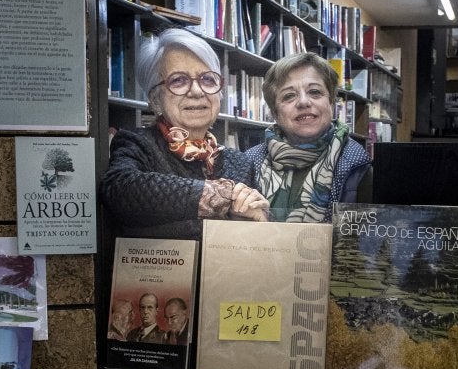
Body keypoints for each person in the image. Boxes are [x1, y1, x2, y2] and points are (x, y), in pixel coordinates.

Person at [100, 27, 269, 239]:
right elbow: (120, 190)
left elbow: (247, 236)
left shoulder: (239, 162)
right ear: (155, 98)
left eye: (208, 79)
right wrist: (223, 198)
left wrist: (259, 217)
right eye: (178, 80)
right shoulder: (137, 143)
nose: (197, 91)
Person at [243, 51, 372, 223]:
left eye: (315, 92)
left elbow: (361, 245)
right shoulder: (249, 162)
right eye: (289, 96)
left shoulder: (359, 166)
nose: (304, 102)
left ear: (331, 102)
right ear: (274, 112)